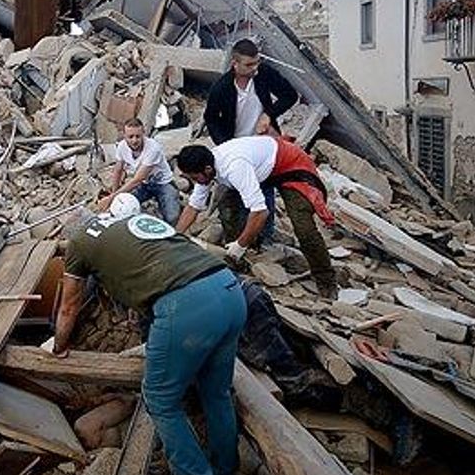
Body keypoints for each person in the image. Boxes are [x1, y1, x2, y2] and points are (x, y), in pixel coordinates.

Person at [53, 193, 245, 475]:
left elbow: (69, 306)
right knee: (217, 393)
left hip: (186, 306)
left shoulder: (79, 242)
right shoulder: (133, 223)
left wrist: (59, 346)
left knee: (160, 399)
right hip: (229, 288)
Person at [175, 136, 340, 299]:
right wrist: (175, 236)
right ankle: (237, 260)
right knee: (228, 209)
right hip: (263, 169)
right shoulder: (207, 169)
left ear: (208, 169)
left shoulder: (234, 167)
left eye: (195, 178)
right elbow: (194, 206)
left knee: (304, 228)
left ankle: (326, 280)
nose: (195, 182)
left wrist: (240, 245)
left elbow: (260, 212)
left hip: (291, 166)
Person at [203, 39, 299, 247]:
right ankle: (237, 238)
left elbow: (290, 95)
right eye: (249, 65)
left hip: (262, 145)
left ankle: (263, 240)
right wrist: (225, 145)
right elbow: (210, 118)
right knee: (235, 195)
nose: (255, 68)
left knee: (264, 191)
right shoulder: (221, 88)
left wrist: (268, 114)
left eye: (257, 62)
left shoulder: (264, 74)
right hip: (235, 147)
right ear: (234, 64)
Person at [100, 118, 180, 225]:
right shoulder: (121, 146)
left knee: (172, 217)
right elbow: (118, 170)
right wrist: (114, 195)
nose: (134, 140)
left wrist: (111, 198)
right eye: (130, 137)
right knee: (122, 207)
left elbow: (137, 179)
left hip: (163, 183)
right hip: (144, 184)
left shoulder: (153, 148)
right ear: (124, 135)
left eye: (138, 136)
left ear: (143, 133)